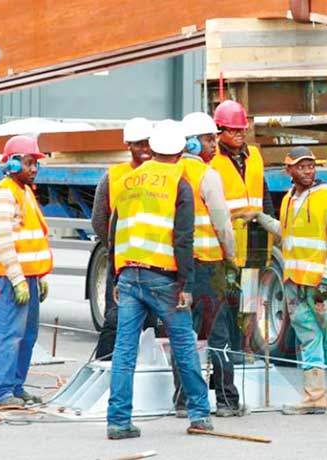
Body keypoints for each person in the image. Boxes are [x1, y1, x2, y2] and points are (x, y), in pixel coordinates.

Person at [106, 120, 212, 439]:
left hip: (128, 276)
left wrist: (115, 276)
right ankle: (199, 415)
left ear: (151, 149)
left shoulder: (128, 179)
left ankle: (118, 421)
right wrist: (186, 285)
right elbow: (183, 238)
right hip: (164, 279)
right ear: (181, 150)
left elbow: (114, 230)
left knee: (124, 350)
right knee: (184, 346)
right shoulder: (179, 183)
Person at [238, 146, 327, 415]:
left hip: (319, 284)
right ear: (289, 170)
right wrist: (261, 218)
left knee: (316, 337)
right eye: (301, 166)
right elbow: (284, 233)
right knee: (322, 335)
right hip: (295, 282)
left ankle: (316, 396)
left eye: (311, 165)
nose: (308, 170)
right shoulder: (290, 199)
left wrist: (325, 280)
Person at [171, 111, 240, 417]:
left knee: (184, 336)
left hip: (177, 270)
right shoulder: (207, 175)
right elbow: (222, 224)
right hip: (208, 268)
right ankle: (226, 401)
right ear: (193, 144)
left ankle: (182, 401)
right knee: (219, 335)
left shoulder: (170, 173)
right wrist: (231, 258)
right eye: (209, 139)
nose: (215, 144)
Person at [0, 135, 53, 408]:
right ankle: (0, 392)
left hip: (29, 276)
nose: (34, 168)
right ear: (11, 164)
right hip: (12, 277)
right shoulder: (4, 192)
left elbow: (31, 237)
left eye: (36, 163)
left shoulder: (24, 191)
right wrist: (16, 278)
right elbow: (2, 239)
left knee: (27, 335)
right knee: (9, 333)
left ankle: (15, 386)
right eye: (28, 162)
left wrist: (40, 276)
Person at [208, 100, 275, 358]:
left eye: (242, 130)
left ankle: (246, 347)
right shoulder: (212, 161)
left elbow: (263, 191)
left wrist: (270, 223)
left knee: (250, 296)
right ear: (219, 131)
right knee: (227, 296)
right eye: (233, 130)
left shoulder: (254, 156)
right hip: (227, 238)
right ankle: (230, 347)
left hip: (255, 238)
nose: (239, 134)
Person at [91, 117, 157, 360]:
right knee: (115, 319)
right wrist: (116, 249)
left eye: (149, 143)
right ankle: (104, 368)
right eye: (139, 144)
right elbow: (99, 219)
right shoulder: (114, 177)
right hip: (122, 263)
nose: (146, 149)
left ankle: (146, 371)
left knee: (151, 321)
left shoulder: (162, 176)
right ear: (129, 145)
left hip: (155, 263)